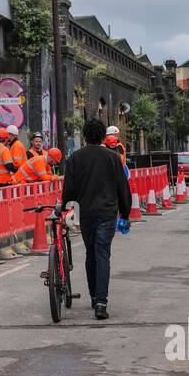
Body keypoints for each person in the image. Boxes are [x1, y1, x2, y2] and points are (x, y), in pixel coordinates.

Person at [60, 119, 132, 320]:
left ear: (84, 136)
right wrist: (125, 214)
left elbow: (69, 190)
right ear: (102, 136)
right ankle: (101, 302)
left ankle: (94, 296)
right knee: (102, 254)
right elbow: (122, 188)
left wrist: (66, 208)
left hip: (86, 214)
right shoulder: (112, 157)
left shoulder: (75, 158)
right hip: (107, 213)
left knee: (91, 253)